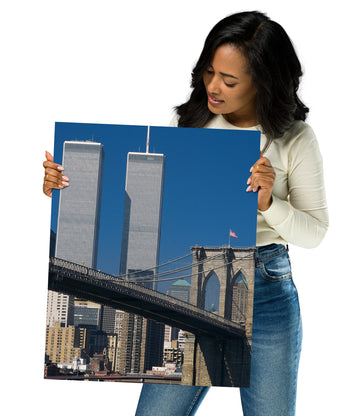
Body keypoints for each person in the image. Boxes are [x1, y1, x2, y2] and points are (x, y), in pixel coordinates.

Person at [43, 10, 328, 416]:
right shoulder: (190, 121)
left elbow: (315, 232)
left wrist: (269, 204)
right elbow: (157, 203)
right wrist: (68, 186)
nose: (213, 86)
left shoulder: (296, 139)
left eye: (229, 81)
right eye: (210, 72)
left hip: (267, 290)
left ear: (263, 82)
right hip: (194, 289)